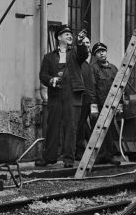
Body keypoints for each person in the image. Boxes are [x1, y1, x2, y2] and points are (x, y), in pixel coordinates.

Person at [35, 25, 89, 168]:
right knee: (52, 126)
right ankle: (50, 157)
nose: (70, 36)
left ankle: (68, 159)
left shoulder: (76, 53)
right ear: (59, 37)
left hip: (72, 94)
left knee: (71, 126)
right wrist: (51, 80)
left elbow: (84, 54)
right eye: (66, 34)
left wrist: (81, 42)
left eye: (71, 34)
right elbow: (43, 75)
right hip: (55, 94)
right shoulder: (48, 57)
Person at [89, 42, 121, 164]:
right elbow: (91, 88)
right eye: (98, 52)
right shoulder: (93, 69)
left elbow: (120, 88)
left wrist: (120, 104)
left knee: (110, 130)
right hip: (99, 105)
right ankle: (99, 156)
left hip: (111, 106)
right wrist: (93, 107)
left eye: (103, 51)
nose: (102, 53)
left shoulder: (114, 69)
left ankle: (109, 156)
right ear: (95, 55)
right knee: (97, 131)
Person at [75, 36, 93, 160]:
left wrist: (92, 100)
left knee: (83, 125)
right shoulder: (78, 61)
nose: (86, 44)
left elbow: (91, 83)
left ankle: (86, 148)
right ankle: (79, 150)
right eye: (84, 43)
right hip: (78, 98)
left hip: (88, 99)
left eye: (88, 42)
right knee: (79, 126)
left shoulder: (89, 63)